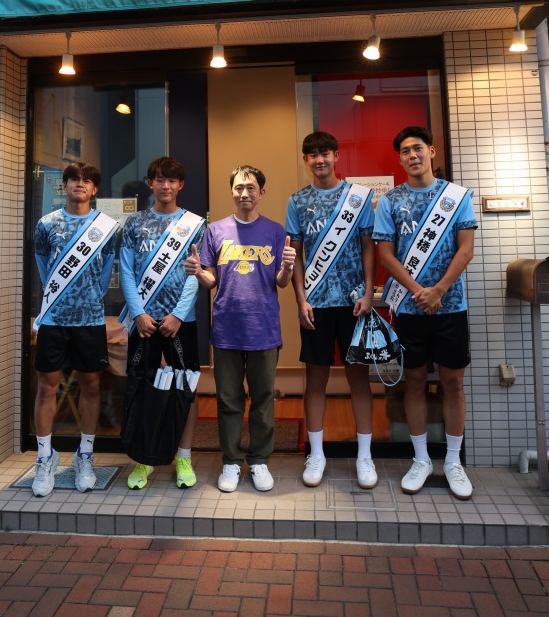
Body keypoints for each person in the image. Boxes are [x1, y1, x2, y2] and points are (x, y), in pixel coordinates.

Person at [373, 126, 477, 500]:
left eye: (417, 148)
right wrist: (420, 292)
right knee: (413, 380)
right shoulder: (389, 201)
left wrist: (439, 291)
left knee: (453, 383)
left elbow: (466, 249)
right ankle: (420, 460)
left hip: (451, 306)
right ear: (400, 159)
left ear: (431, 151)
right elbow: (386, 255)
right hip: (409, 307)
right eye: (405, 151)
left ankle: (452, 461)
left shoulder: (456, 196)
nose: (412, 155)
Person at [185, 165, 296, 492]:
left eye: (250, 188)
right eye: (238, 187)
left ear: (261, 193)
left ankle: (259, 460)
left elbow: (281, 282)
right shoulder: (215, 230)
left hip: (264, 329)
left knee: (263, 400)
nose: (244, 193)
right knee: (228, 400)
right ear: (231, 192)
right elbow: (211, 280)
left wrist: (288, 267)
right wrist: (197, 272)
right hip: (227, 329)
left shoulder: (275, 231)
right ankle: (231, 462)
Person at [286, 131, 376, 489]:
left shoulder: (358, 197)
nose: (319, 159)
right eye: (312, 154)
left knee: (359, 379)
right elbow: (295, 255)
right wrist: (301, 299)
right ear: (305, 160)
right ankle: (317, 454)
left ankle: (365, 455)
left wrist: (368, 292)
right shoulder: (297, 201)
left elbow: (368, 247)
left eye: (325, 153)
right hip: (316, 305)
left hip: (354, 303)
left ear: (337, 156)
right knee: (315, 380)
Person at [33, 162, 118, 497]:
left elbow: (105, 272)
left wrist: (88, 299)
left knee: (91, 387)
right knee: (46, 388)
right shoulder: (46, 224)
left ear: (94, 189)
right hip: (54, 320)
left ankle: (85, 456)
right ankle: (44, 458)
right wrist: (59, 298)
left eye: (86, 180)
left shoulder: (106, 227)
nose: (79, 184)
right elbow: (44, 268)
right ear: (64, 185)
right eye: (73, 179)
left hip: (90, 321)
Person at [119, 157, 205, 491]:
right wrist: (138, 313)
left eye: (171, 180)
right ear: (150, 183)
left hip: (181, 321)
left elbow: (197, 273)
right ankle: (143, 458)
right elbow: (126, 271)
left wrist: (179, 315)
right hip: (142, 322)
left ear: (180, 185)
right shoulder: (134, 223)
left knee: (186, 388)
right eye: (159, 179)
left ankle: (184, 457)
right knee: (143, 387)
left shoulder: (195, 224)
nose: (165, 185)